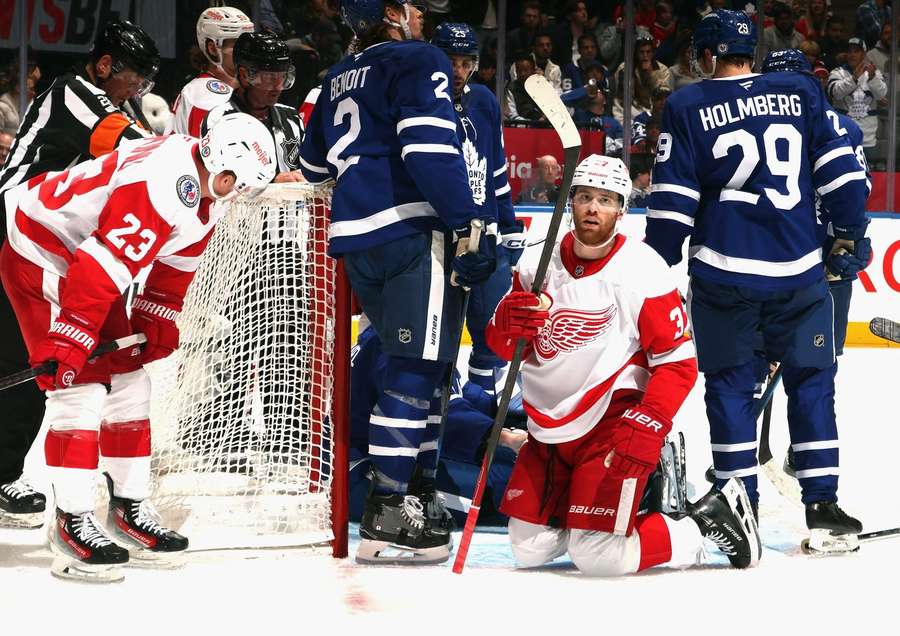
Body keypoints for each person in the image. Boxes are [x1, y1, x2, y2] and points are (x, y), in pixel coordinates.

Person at [0, 113, 277, 582]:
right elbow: (98, 266)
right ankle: (70, 521)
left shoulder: (205, 188)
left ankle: (127, 507)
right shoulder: (166, 184)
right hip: (41, 248)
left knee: (130, 385)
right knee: (79, 391)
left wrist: (158, 315)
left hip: (84, 259)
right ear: (227, 174)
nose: (244, 195)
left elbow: (173, 264)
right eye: (244, 186)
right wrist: (72, 334)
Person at [645, 10, 870, 554]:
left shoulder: (687, 105)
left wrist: (652, 270)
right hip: (799, 272)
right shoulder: (799, 92)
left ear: (703, 55)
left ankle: (738, 496)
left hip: (725, 273)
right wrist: (846, 236)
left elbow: (674, 204)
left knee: (729, 386)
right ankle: (822, 505)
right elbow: (840, 174)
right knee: (813, 382)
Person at [486, 155, 760, 576]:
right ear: (571, 201)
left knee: (597, 557)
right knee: (529, 550)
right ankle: (620, 505)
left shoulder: (642, 269)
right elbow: (506, 345)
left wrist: (649, 423)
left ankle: (703, 526)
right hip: (548, 430)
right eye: (584, 197)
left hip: (610, 425)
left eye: (606, 200)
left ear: (622, 209)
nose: (593, 208)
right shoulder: (536, 262)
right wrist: (505, 326)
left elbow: (678, 362)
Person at [298, 0, 496, 565]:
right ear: (390, 12)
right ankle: (388, 503)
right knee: (415, 370)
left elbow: (313, 168)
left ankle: (417, 491)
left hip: (357, 238)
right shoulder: (421, 57)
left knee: (429, 366)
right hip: (412, 229)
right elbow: (429, 149)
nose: (420, 14)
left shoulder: (337, 76)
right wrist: (467, 222)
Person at [0, 20, 157, 530]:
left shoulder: (105, 98)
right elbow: (127, 144)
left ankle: (2, 472)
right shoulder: (75, 91)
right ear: (106, 65)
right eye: (134, 77)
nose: (138, 88)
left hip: (38, 239)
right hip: (11, 227)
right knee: (18, 358)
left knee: (25, 363)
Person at [761, 48, 872, 476]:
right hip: (805, 262)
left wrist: (850, 247)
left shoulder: (840, 127)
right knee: (809, 366)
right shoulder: (837, 125)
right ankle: (794, 451)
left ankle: (791, 450)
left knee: (814, 365)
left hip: (794, 262)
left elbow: (851, 195)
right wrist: (848, 244)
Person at [349, 322, 526, 527]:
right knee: (507, 485)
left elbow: (455, 391)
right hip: (362, 479)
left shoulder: (404, 329)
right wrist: (507, 437)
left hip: (383, 464)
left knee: (507, 463)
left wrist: (509, 419)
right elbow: (444, 416)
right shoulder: (404, 344)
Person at [431, 22, 525, 396]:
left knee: (492, 338)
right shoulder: (420, 101)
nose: (457, 70)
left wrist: (509, 223)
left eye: (465, 61)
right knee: (438, 343)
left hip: (485, 238)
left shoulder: (484, 101)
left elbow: (496, 166)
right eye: (449, 60)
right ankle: (443, 410)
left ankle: (481, 409)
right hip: (438, 239)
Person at [203, 32, 303, 181]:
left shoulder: (291, 117)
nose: (278, 87)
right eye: (269, 77)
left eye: (282, 76)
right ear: (244, 75)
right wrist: (273, 183)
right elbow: (216, 182)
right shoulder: (219, 120)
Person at [166, 6, 254, 138]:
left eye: (248, 45)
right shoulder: (205, 96)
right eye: (237, 45)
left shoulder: (236, 87)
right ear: (212, 49)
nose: (247, 52)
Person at [827, 37, 886, 150]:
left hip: (867, 139)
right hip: (843, 136)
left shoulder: (874, 73)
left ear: (864, 54)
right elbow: (835, 93)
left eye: (856, 51)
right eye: (849, 51)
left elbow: (881, 94)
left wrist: (872, 78)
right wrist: (854, 79)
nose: (852, 54)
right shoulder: (837, 72)